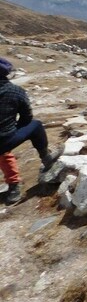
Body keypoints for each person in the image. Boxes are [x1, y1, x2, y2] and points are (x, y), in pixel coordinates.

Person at [0, 57, 58, 204]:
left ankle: (14, 186)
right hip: (5, 139)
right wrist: (11, 128)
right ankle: (46, 158)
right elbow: (27, 117)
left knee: (3, 152)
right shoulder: (15, 91)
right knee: (36, 125)